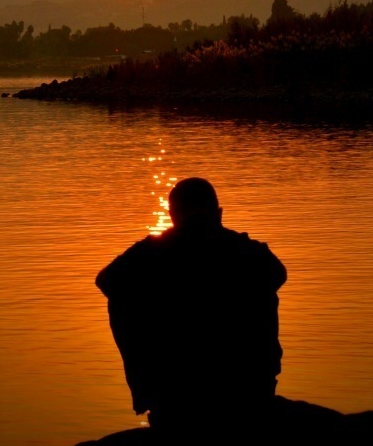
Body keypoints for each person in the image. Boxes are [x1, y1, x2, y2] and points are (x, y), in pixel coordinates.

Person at [96, 177, 286, 438]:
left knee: (121, 296)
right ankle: (254, 383)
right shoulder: (248, 251)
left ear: (173, 216)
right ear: (219, 213)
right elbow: (278, 275)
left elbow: (105, 281)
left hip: (176, 389)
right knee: (263, 287)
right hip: (247, 385)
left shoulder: (151, 252)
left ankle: (151, 391)